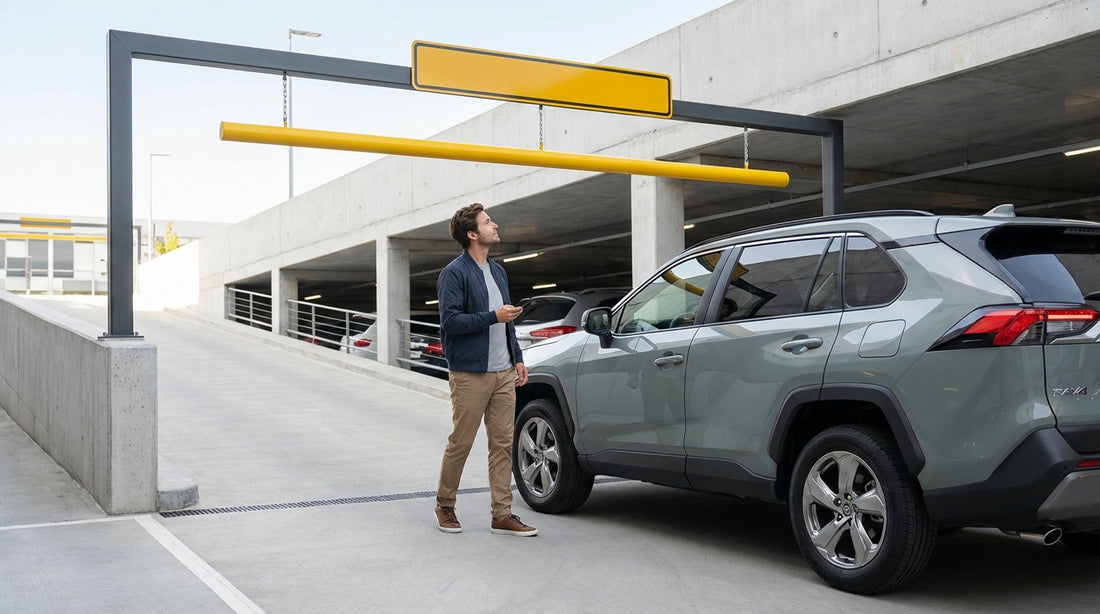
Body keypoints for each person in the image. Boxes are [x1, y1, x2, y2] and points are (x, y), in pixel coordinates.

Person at [433, 202, 536, 537]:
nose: (495, 225)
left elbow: (507, 323)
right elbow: (451, 322)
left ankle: (502, 514)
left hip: (504, 371)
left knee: (503, 444)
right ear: (472, 234)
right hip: (470, 373)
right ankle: (445, 505)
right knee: (461, 442)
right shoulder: (454, 274)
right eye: (488, 222)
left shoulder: (498, 271)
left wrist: (517, 357)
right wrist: (493, 316)